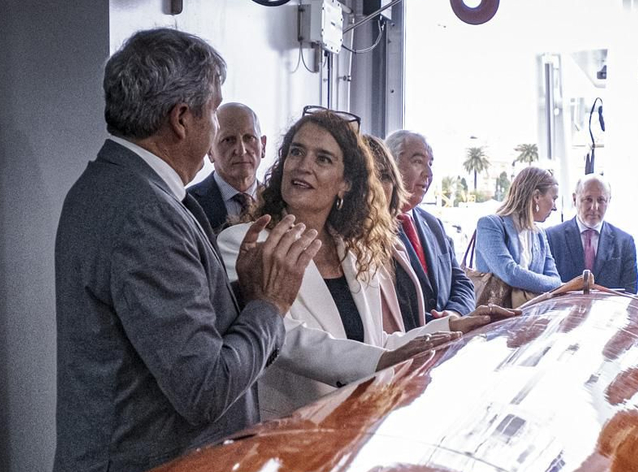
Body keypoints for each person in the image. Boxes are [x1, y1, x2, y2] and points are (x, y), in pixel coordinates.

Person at [51, 29, 317, 472]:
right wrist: (270, 304)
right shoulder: (144, 214)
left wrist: (243, 294)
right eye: (214, 112)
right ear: (181, 119)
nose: (216, 127)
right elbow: (205, 389)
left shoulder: (115, 186)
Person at [218, 110, 513, 418]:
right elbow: (282, 337)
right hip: (288, 434)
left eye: (323, 159)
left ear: (345, 183)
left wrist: (451, 326)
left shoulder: (354, 251)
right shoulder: (242, 242)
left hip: (360, 424)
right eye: (296, 152)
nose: (303, 166)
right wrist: (380, 362)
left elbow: (378, 343)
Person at [386, 130, 476, 317]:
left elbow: (461, 282)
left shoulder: (433, 224)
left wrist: (454, 314)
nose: (428, 173)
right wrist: (439, 325)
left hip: (449, 338)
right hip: (402, 342)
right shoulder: (370, 225)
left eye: (430, 164)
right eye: (418, 162)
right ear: (389, 164)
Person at [362, 134, 429, 332]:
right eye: (418, 161)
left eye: (385, 176)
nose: (428, 173)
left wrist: (452, 320)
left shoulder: (392, 244)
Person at [473, 167, 564, 295]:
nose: (554, 207)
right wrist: (551, 285)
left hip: (533, 313)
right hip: (496, 312)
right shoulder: (490, 225)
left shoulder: (539, 235)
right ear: (536, 196)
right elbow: (510, 273)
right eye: (554, 198)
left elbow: (555, 280)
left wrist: (555, 284)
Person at [546, 174, 638, 292]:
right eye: (588, 199)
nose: (594, 207)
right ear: (575, 199)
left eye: (601, 200)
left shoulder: (624, 242)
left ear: (609, 201)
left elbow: (630, 292)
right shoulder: (551, 238)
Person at [187, 101, 266, 232]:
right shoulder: (188, 204)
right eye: (228, 140)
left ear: (263, 146)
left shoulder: (279, 201)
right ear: (209, 151)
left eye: (249, 138)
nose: (241, 151)